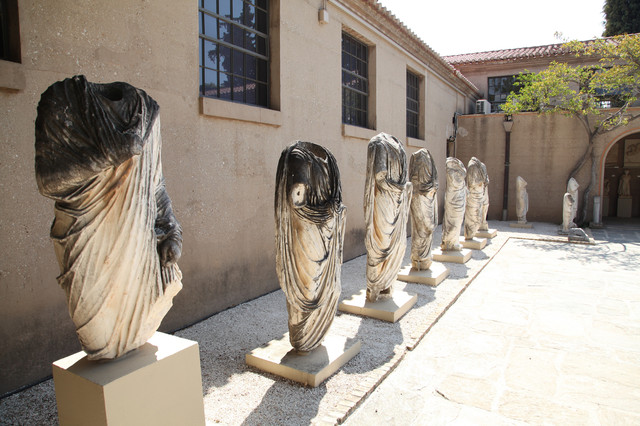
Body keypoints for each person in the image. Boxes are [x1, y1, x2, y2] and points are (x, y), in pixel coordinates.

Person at [35, 76, 183, 360]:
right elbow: (47, 180)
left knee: (141, 317)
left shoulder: (147, 112)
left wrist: (170, 231)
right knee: (97, 339)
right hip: (86, 239)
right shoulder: (61, 100)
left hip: (139, 245)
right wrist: (106, 157)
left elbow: (155, 184)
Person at [274, 141, 345, 352]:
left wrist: (330, 213)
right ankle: (302, 338)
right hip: (307, 231)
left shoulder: (326, 159)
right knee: (307, 288)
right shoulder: (299, 157)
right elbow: (297, 201)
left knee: (325, 287)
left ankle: (309, 337)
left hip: (323, 231)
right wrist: (328, 212)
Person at [364, 133, 412, 302]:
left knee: (398, 243)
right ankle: (374, 286)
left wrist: (401, 190)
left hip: (397, 200)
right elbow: (380, 176)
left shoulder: (399, 146)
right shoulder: (379, 144)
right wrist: (399, 188)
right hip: (384, 199)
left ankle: (386, 283)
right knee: (381, 244)